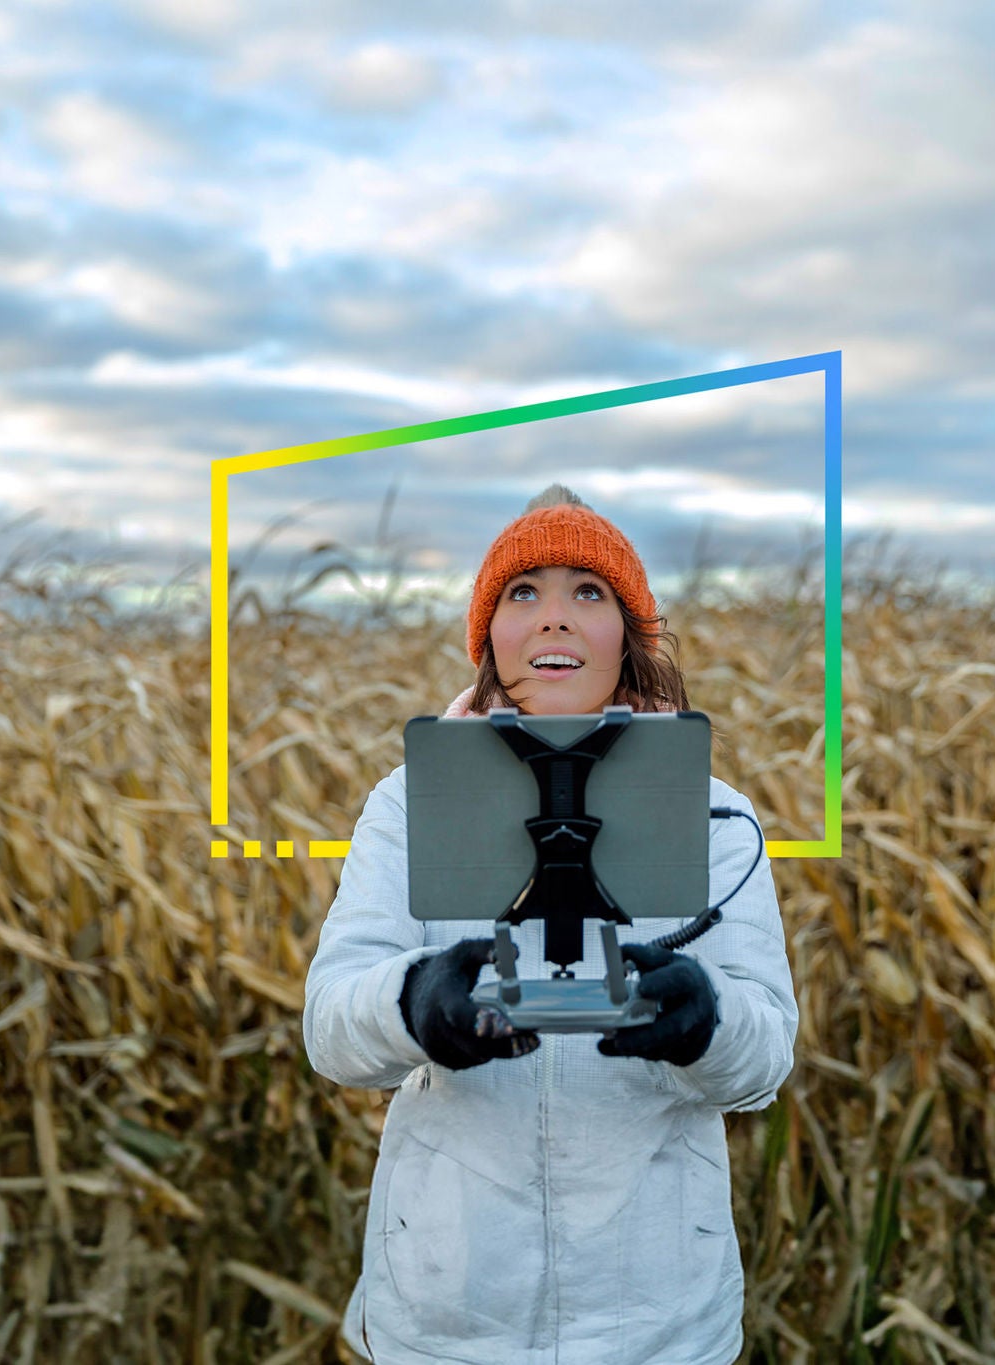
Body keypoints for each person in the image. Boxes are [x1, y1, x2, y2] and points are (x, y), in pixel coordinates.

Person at [303, 484, 798, 1365]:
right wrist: (414, 1002)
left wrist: (705, 1018)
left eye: (589, 592)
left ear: (629, 637)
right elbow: (333, 1029)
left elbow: (762, 1065)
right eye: (523, 592)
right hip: (446, 1318)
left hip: (659, 1328)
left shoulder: (718, 817)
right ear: (490, 636)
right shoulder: (407, 805)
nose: (555, 619)